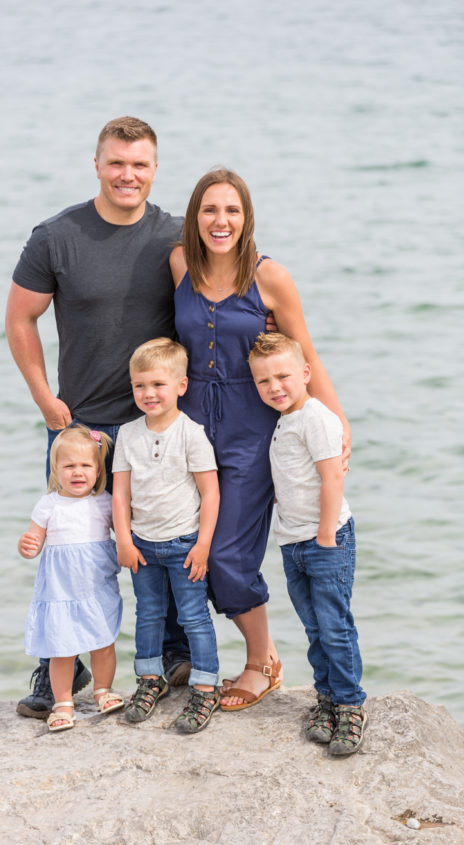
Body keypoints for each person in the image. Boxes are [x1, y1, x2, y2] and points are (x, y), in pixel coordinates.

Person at [6, 116, 192, 718]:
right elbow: (19, 319)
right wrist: (43, 399)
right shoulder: (57, 236)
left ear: (154, 169)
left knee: (160, 543)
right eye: (117, 163)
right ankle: (57, 667)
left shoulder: (175, 236)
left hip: (154, 426)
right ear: (97, 164)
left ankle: (170, 657)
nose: (127, 175)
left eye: (139, 164)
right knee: (66, 550)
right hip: (80, 427)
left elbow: (217, 306)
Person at [170, 169, 351, 711]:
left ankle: (260, 661)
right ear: (194, 216)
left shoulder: (270, 277)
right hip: (191, 427)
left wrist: (337, 425)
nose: (220, 221)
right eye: (209, 210)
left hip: (252, 432)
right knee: (183, 549)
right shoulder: (179, 263)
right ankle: (198, 660)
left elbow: (305, 356)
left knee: (227, 554)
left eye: (231, 210)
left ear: (246, 218)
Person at [248, 333, 366, 755]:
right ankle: (327, 698)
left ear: (305, 374)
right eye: (263, 381)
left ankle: (351, 705)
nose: (274, 387)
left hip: (325, 538)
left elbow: (333, 477)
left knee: (335, 625)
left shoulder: (316, 417)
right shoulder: (284, 421)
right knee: (314, 627)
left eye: (283, 376)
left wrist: (326, 534)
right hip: (293, 541)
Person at [112, 339, 221, 733]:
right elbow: (120, 493)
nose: (148, 393)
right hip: (142, 545)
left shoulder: (191, 433)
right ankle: (148, 678)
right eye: (139, 386)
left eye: (158, 384)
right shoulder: (127, 434)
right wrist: (124, 539)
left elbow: (210, 492)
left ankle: (206, 686)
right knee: (149, 615)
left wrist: (203, 545)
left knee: (193, 616)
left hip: (184, 544)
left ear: (181, 385)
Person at [18, 425, 125, 732]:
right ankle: (63, 703)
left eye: (85, 466)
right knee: (62, 649)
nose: (77, 473)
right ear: (56, 469)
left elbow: (123, 536)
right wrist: (26, 545)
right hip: (60, 592)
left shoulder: (104, 501)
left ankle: (103, 690)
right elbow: (33, 539)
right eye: (69, 466)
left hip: (96, 588)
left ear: (98, 469)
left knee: (103, 643)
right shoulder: (49, 504)